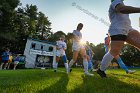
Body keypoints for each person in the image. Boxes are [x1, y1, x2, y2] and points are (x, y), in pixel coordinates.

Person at [97, 0, 140, 78]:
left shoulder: (120, 3)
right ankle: (101, 70)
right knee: (114, 51)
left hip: (128, 29)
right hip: (118, 29)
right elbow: (122, 9)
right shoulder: (115, 1)